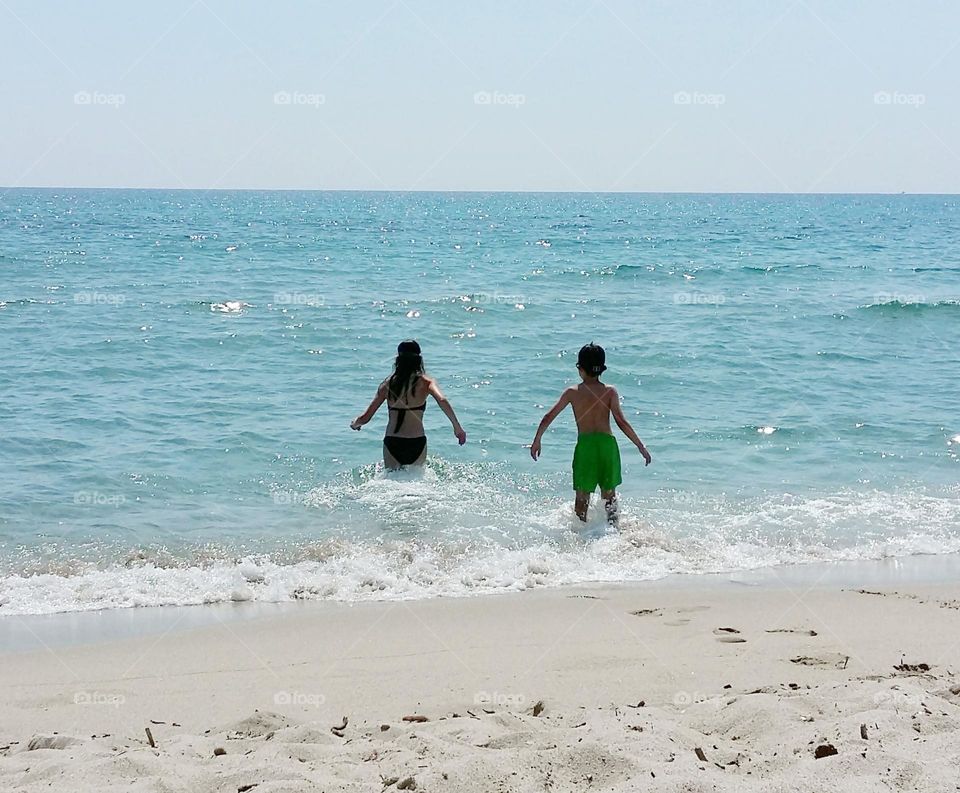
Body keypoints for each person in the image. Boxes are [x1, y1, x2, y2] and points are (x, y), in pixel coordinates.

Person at [530, 343, 651, 524]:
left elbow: (548, 416)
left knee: (582, 497)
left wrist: (537, 440)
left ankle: (580, 538)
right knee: (609, 496)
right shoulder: (610, 391)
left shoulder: (572, 392)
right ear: (602, 369)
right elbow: (622, 422)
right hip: (607, 446)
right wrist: (640, 446)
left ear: (580, 368)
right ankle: (614, 533)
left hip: (586, 447)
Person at [351, 340, 467, 469]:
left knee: (391, 483)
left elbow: (366, 418)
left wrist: (355, 423)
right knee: (417, 484)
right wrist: (457, 428)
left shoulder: (388, 385)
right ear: (419, 359)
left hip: (393, 442)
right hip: (416, 441)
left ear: (398, 359)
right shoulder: (427, 382)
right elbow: (442, 400)